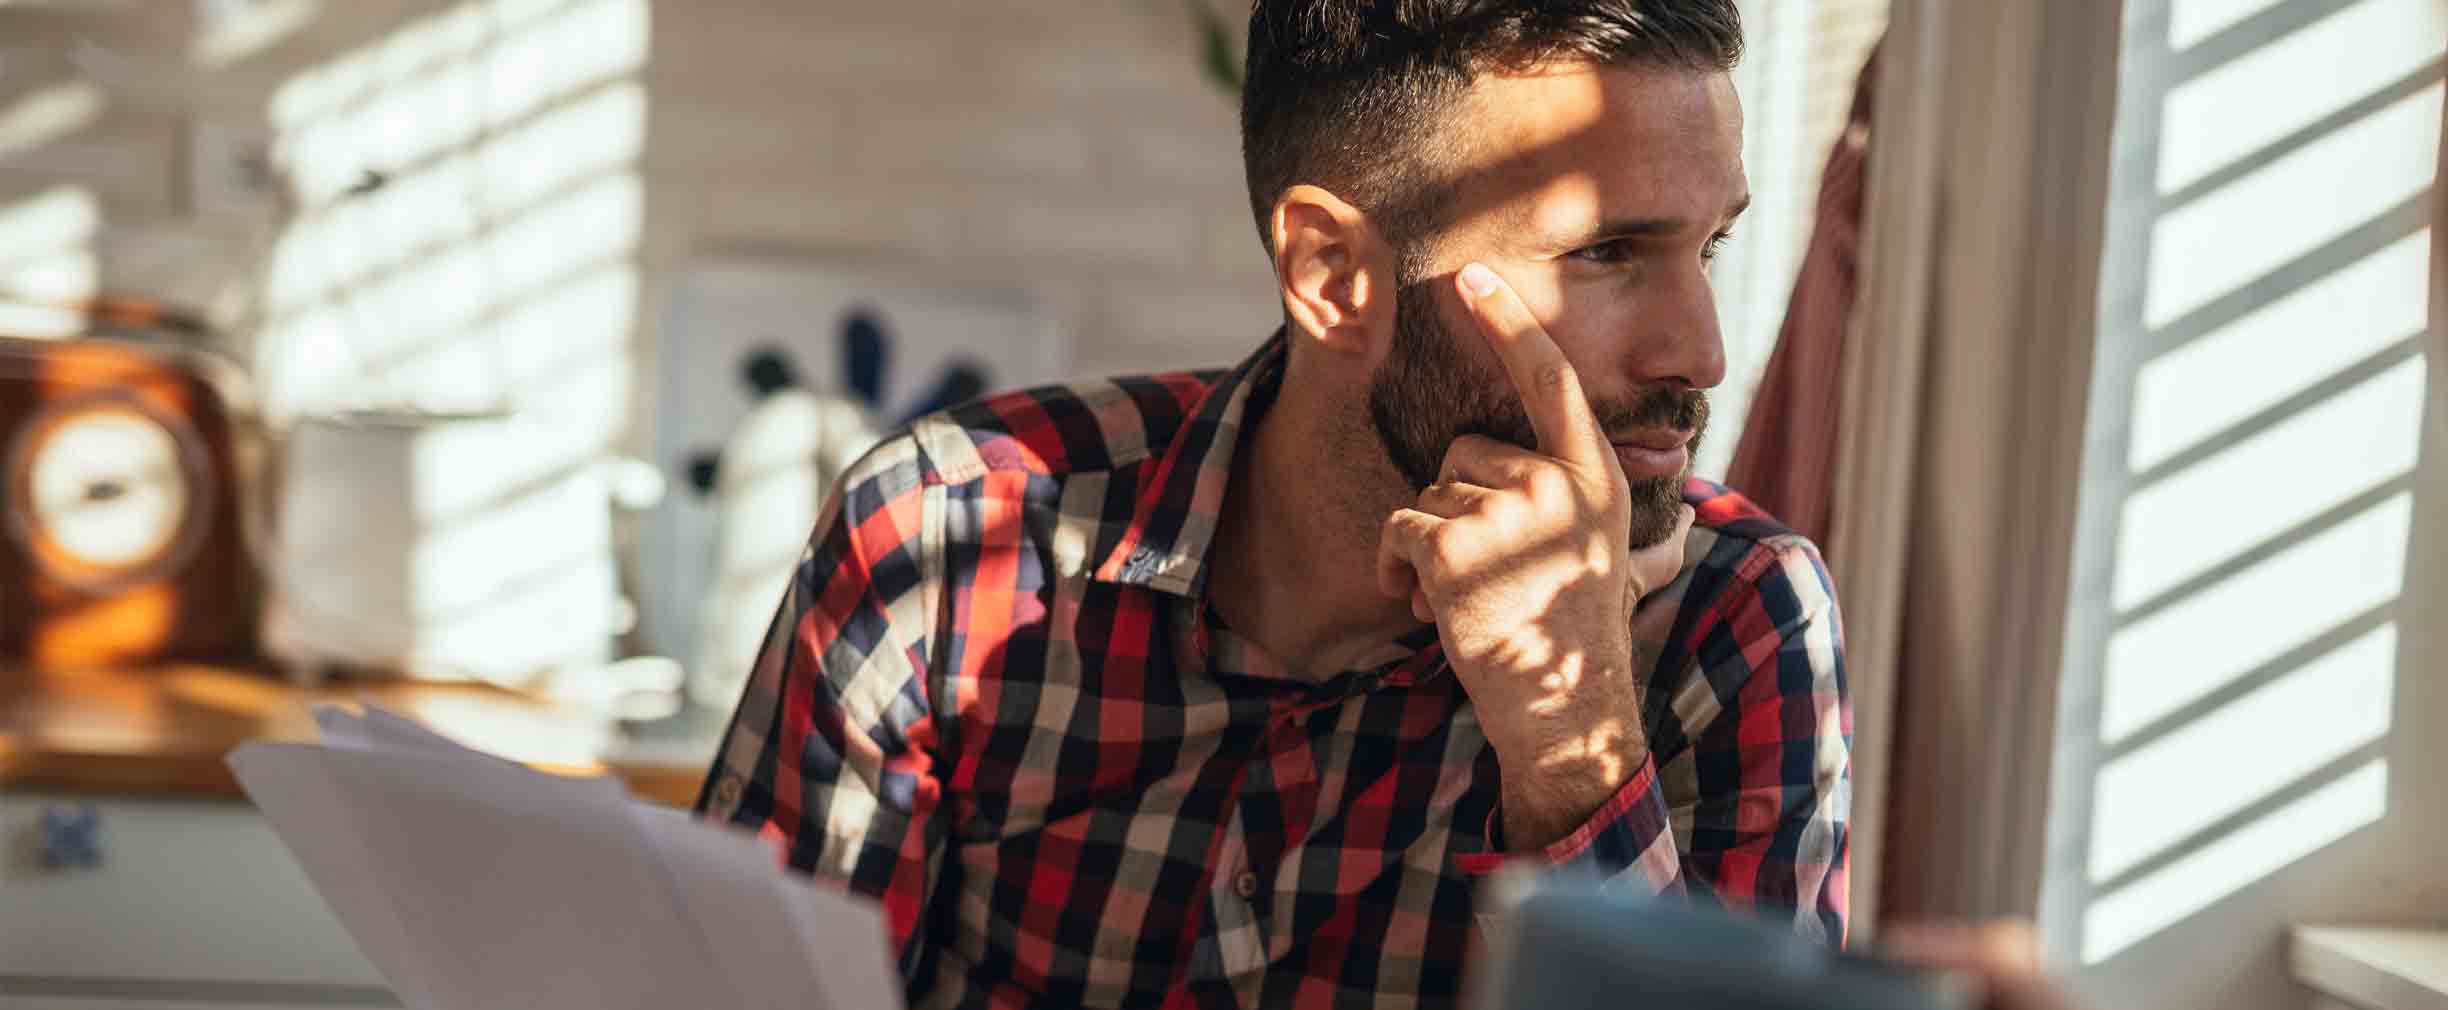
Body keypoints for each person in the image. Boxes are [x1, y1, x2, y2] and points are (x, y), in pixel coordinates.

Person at [697, 2, 1849, 1006]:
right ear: (1336, 275)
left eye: (1714, 243)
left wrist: (1572, 747)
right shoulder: (945, 532)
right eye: (1608, 251)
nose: (1701, 349)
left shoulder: (1737, 623)